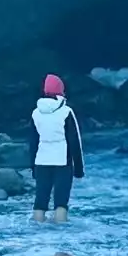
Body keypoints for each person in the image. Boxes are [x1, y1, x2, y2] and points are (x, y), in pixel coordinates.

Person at [27, 74, 84, 224]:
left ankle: (35, 233)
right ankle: (61, 237)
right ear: (61, 91)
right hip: (62, 162)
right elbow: (75, 142)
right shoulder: (66, 112)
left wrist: (33, 167)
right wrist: (79, 169)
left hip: (41, 161)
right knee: (60, 202)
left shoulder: (35, 113)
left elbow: (33, 143)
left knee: (40, 201)